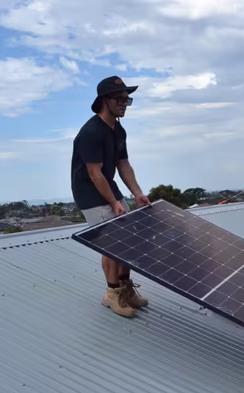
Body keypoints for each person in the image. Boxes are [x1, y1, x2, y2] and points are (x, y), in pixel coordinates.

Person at [71, 76, 152, 318]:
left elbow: (122, 163)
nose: (125, 103)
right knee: (112, 244)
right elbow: (95, 174)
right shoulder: (91, 132)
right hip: (90, 194)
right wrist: (114, 203)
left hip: (109, 187)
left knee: (129, 239)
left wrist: (137, 193)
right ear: (104, 100)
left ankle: (126, 288)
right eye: (120, 98)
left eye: (128, 99)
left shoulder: (118, 130)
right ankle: (112, 294)